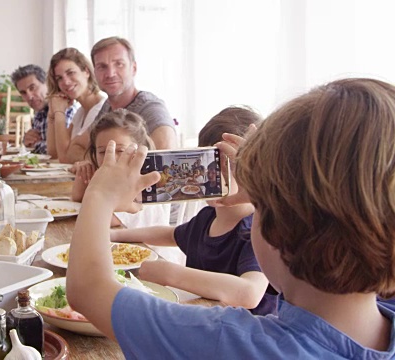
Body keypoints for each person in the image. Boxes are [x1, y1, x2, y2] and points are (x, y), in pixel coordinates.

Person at [67, 78, 395, 358]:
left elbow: (88, 290)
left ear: (276, 230)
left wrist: (100, 195)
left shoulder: (230, 343)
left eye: (261, 204)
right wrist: (267, 187)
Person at [110, 106, 275, 315]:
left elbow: (250, 293)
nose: (212, 175)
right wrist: (115, 235)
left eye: (228, 164)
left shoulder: (258, 229)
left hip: (245, 339)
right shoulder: (208, 218)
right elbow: (171, 234)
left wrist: (173, 274)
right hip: (203, 323)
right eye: (206, 162)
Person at [71, 109, 170, 228]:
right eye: (103, 151)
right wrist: (83, 173)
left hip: (149, 246)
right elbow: (77, 199)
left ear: (139, 152)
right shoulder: (110, 180)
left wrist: (95, 186)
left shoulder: (143, 183)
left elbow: (99, 219)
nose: (111, 157)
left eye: (121, 151)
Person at [91, 36, 177, 150]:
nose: (110, 73)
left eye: (119, 64)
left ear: (134, 68)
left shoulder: (151, 109)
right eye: (102, 67)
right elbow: (81, 152)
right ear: (94, 72)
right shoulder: (107, 107)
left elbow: (167, 161)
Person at [46, 48, 106, 163]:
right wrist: (51, 115)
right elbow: (54, 154)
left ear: (86, 72)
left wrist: (59, 112)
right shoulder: (80, 113)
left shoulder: (102, 109)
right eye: (59, 78)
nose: (66, 82)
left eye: (70, 73)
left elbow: (64, 157)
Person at [11, 64, 77, 154]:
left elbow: (60, 151)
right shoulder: (40, 113)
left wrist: (35, 145)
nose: (29, 96)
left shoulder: (65, 107)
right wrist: (27, 141)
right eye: (23, 92)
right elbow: (39, 147)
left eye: (32, 88)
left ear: (47, 83)